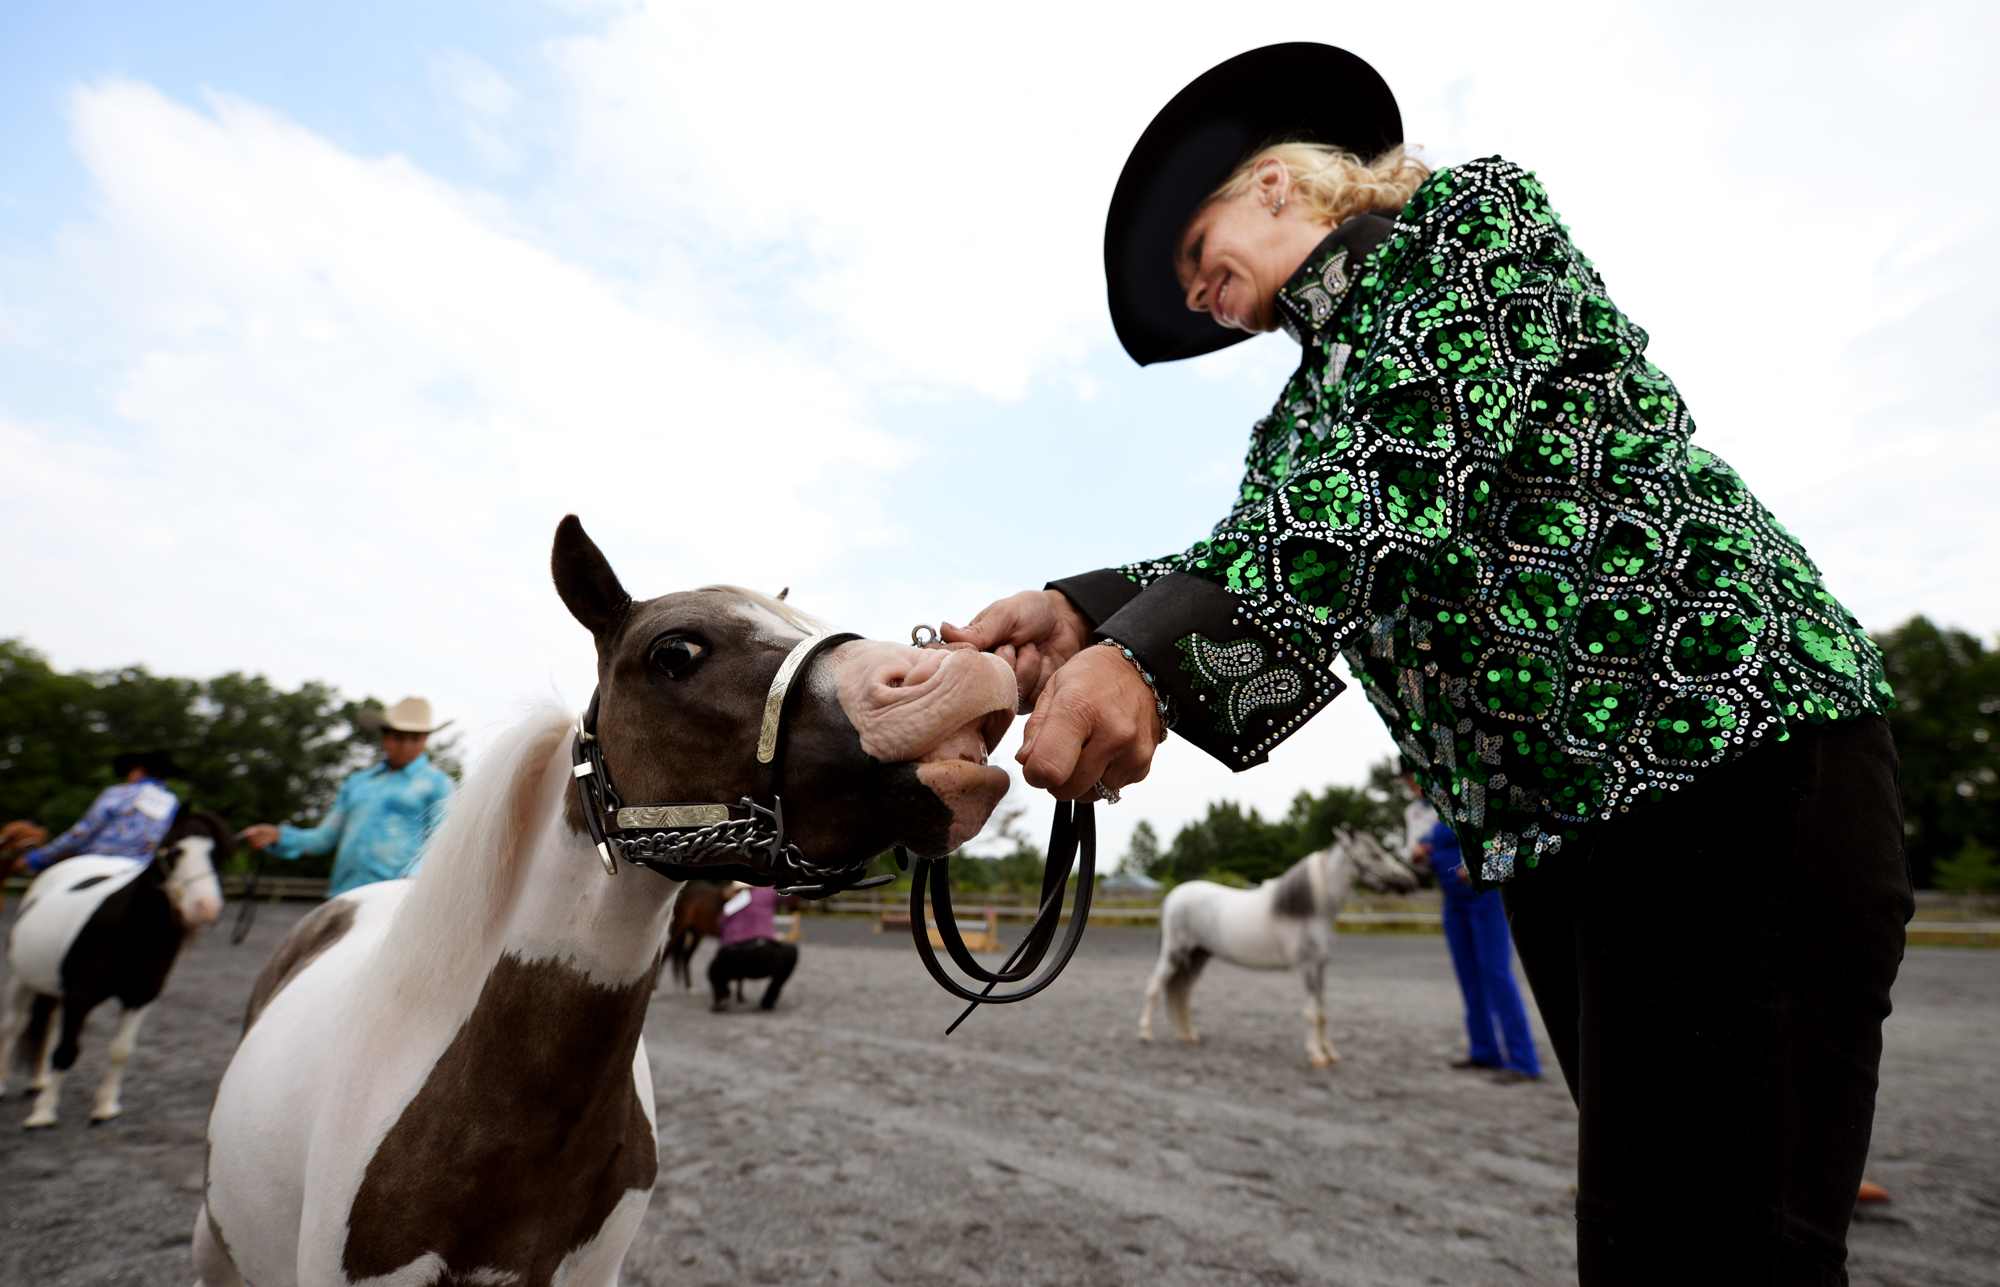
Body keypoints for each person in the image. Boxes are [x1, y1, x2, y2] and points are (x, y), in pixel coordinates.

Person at [945, 43, 1909, 1283]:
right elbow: (1284, 529)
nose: (1192, 294)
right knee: (1645, 1241)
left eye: (1192, 252)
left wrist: (1144, 653)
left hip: (1723, 767)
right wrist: (1081, 615)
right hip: (1560, 835)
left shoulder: (1467, 227)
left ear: (1275, 184)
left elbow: (1399, 472)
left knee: (1710, 1253)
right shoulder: (1297, 424)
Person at [240, 697, 454, 898]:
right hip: (345, 894)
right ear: (385, 737)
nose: (405, 746)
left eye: (415, 738)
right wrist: (279, 836)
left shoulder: (439, 785)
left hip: (394, 898)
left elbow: (441, 842)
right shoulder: (357, 782)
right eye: (398, 737)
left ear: (425, 739)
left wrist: (413, 879)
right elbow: (323, 839)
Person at [14, 750, 181, 874]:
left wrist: (39, 857)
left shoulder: (118, 793)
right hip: (141, 868)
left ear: (137, 770)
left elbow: (82, 832)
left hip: (99, 861)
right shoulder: (172, 802)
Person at [706, 882, 798, 1012]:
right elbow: (791, 894)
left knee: (713, 970)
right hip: (762, 954)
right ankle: (769, 999)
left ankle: (721, 996)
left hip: (730, 956)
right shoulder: (766, 892)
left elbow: (720, 929)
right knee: (792, 951)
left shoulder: (729, 904)